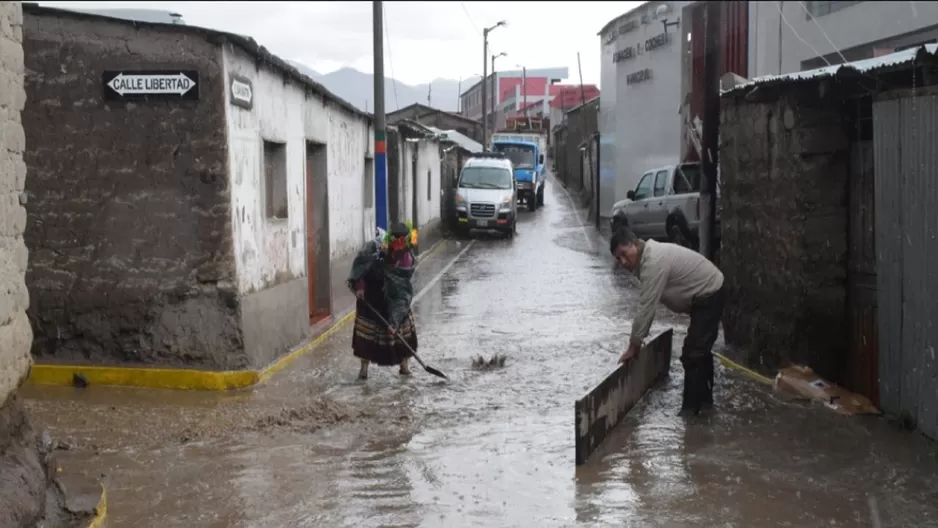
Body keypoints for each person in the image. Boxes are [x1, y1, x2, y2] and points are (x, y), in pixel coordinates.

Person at [609, 227, 725, 416]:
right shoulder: (648, 259)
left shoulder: (653, 261)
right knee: (700, 351)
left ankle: (689, 415)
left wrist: (634, 346)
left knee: (693, 353)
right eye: (617, 259)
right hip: (705, 294)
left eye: (623, 254)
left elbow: (646, 307)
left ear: (634, 244)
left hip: (709, 293)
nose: (622, 262)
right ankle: (705, 405)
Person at [347, 221, 420, 380]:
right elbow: (361, 265)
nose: (398, 250)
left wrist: (394, 322)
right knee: (366, 332)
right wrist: (359, 286)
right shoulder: (375, 247)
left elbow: (401, 296)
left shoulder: (406, 260)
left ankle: (404, 366)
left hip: (394, 295)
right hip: (372, 291)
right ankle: (363, 369)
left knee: (403, 327)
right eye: (395, 245)